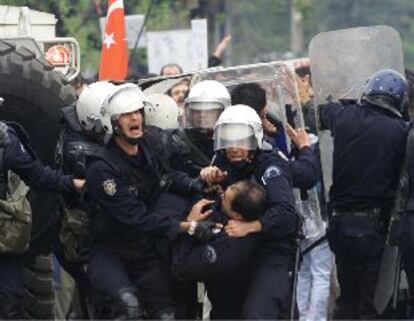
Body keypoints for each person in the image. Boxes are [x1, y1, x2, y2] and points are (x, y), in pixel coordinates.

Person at [83, 83, 206, 319]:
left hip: (144, 248)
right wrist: (186, 226)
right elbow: (136, 217)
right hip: (108, 250)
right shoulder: (101, 168)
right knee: (128, 306)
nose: (135, 118)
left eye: (138, 112)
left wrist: (198, 183)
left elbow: (168, 177)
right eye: (127, 114)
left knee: (167, 314)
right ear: (113, 122)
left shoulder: (149, 146)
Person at [319, 69, 408, 319]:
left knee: (347, 298)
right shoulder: (399, 131)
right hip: (371, 228)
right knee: (372, 303)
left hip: (338, 225)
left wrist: (346, 103)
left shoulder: (344, 117)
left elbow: (324, 111)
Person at [200, 104, 298, 319]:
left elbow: (285, 214)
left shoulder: (270, 165)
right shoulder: (221, 163)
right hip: (235, 249)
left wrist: (251, 226)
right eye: (228, 139)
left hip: (271, 249)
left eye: (241, 139)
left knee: (258, 313)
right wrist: (207, 181)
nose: (234, 147)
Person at [0, 118, 83, 318]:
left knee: (10, 303)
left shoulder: (5, 138)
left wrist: (72, 183)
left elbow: (36, 175)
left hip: (3, 236)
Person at [172, 180, 266, 319]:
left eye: (225, 199)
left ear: (238, 215)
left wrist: (191, 226)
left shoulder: (227, 248)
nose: (221, 196)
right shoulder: (258, 218)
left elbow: (180, 268)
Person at [166, 80, 231, 178]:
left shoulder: (234, 140)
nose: (202, 115)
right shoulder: (177, 141)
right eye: (197, 110)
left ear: (223, 111)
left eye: (210, 110)